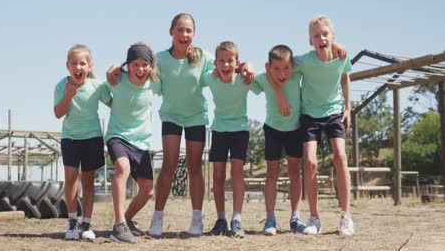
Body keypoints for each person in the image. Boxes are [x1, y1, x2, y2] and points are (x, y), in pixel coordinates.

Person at [106, 13, 254, 237]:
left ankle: (197, 221)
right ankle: (157, 219)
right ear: (171, 32)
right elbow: (139, 70)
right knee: (169, 165)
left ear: (193, 34)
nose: (184, 34)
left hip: (196, 117)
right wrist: (116, 67)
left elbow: (227, 67)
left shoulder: (203, 57)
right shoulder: (161, 59)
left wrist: (248, 65)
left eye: (189, 31)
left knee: (195, 167)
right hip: (171, 118)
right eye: (180, 30)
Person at [273, 16, 354, 237]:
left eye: (325, 34)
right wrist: (279, 94)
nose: (322, 38)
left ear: (333, 37)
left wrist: (348, 108)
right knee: (309, 162)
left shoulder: (341, 56)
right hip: (310, 114)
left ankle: (346, 216)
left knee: (340, 156)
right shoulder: (304, 61)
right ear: (310, 41)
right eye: (316, 35)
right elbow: (279, 63)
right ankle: (314, 217)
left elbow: (345, 76)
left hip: (334, 113)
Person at [54, 44, 112, 240]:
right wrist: (69, 95)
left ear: (90, 66)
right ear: (67, 66)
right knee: (71, 179)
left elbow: (114, 103)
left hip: (93, 138)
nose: (78, 67)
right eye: (74, 63)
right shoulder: (62, 86)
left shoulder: (97, 86)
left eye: (82, 63)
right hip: (70, 138)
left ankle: (86, 223)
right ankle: (72, 221)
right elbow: (58, 113)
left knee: (88, 181)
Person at [104, 43, 161, 243]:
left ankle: (126, 220)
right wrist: (110, 70)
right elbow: (102, 91)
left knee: (147, 190)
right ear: (128, 65)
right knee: (122, 167)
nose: (140, 69)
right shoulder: (117, 80)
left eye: (145, 64)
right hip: (117, 136)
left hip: (141, 142)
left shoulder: (155, 83)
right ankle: (119, 226)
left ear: (151, 66)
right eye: (135, 64)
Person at [202, 41, 258, 238]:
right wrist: (213, 69)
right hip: (218, 131)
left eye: (230, 61)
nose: (226, 65)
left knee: (236, 174)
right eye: (221, 61)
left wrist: (248, 65)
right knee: (217, 176)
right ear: (216, 63)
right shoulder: (210, 79)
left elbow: (262, 84)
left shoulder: (245, 80)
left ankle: (236, 219)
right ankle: (220, 219)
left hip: (239, 131)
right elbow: (202, 69)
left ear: (237, 63)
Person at [252, 45, 306, 235]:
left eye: (286, 68)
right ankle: (270, 219)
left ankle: (296, 216)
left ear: (293, 65)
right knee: (272, 173)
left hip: (295, 129)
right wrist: (247, 67)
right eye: (276, 68)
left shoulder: (298, 74)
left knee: (294, 172)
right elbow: (248, 79)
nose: (282, 73)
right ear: (269, 67)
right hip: (273, 129)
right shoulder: (264, 77)